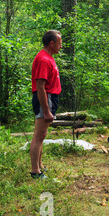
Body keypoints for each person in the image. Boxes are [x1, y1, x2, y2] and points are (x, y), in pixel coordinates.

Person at [30, 30, 62, 179]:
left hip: (50, 97)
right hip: (45, 98)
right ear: (52, 43)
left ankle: (40, 165)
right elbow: (40, 87)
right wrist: (47, 111)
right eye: (59, 43)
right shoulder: (43, 59)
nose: (60, 46)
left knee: (42, 135)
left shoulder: (48, 57)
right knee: (39, 135)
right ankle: (35, 171)